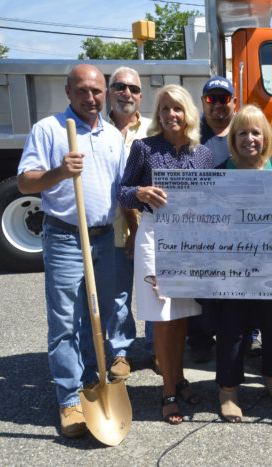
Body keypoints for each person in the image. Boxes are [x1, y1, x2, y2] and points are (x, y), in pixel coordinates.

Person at [17, 64, 134, 438]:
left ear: (107, 94)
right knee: (65, 321)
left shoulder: (113, 136)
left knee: (99, 315)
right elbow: (24, 182)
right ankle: (69, 400)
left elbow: (122, 189)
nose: (90, 98)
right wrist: (59, 173)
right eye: (82, 91)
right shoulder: (49, 130)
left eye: (97, 91)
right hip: (67, 236)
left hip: (104, 235)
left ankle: (93, 382)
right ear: (68, 92)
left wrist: (131, 228)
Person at [118, 84, 213, 424]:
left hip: (189, 239)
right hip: (155, 235)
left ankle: (180, 377)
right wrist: (140, 192)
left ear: (187, 113)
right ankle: (168, 390)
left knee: (183, 315)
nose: (171, 114)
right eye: (164, 109)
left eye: (177, 108)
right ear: (157, 115)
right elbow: (123, 192)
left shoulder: (201, 153)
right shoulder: (144, 148)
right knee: (162, 315)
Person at [213, 104, 272, 423]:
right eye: (243, 132)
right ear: (233, 137)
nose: (249, 138)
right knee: (231, 330)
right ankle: (228, 390)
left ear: (266, 137)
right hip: (231, 269)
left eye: (256, 132)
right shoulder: (219, 172)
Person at [189, 76, 260, 362]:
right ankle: (200, 340)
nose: (218, 105)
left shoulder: (245, 133)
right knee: (204, 291)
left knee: (245, 285)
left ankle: (249, 335)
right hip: (204, 227)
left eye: (224, 98)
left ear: (234, 102)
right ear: (204, 103)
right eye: (211, 99)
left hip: (244, 228)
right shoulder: (191, 136)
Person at [106, 66, 153, 378]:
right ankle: (121, 352)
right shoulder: (97, 129)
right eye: (120, 87)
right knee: (117, 295)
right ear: (110, 92)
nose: (127, 93)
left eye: (134, 89)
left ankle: (156, 347)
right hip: (111, 231)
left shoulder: (154, 128)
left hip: (149, 229)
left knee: (153, 289)